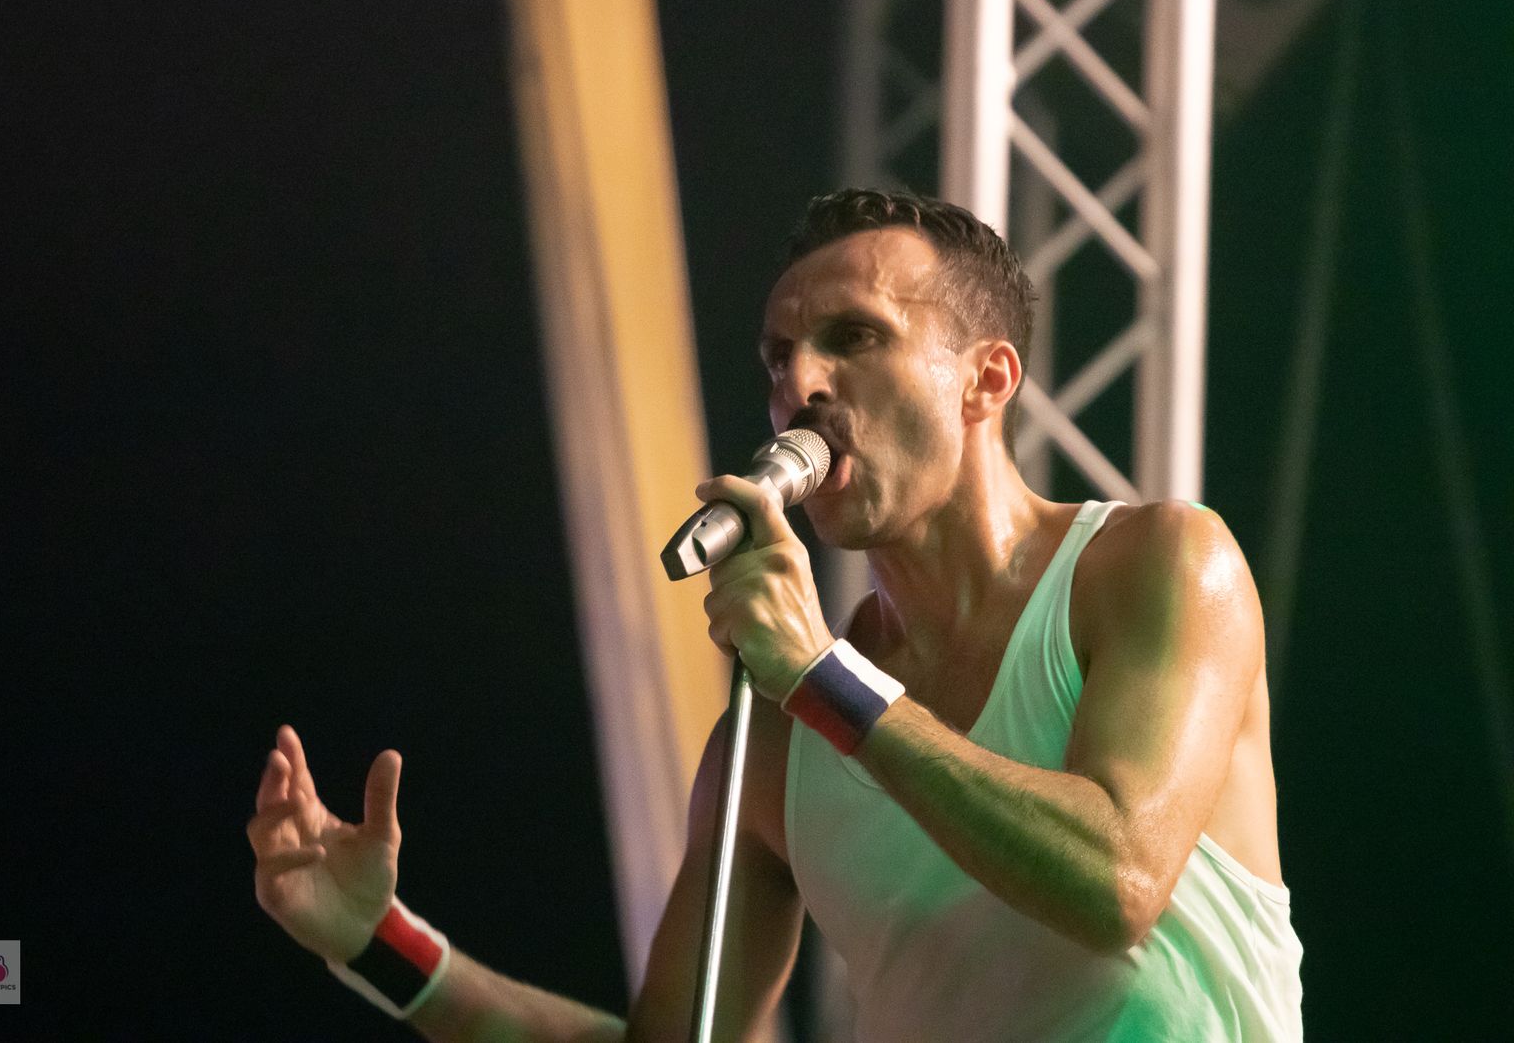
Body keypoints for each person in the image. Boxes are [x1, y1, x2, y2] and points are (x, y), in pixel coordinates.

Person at [247, 190, 1303, 1041]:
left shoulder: (1156, 565)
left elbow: (1116, 879)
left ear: (986, 380)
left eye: (855, 337)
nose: (801, 381)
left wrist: (827, 680)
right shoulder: (772, 742)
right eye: (777, 357)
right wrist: (380, 942)